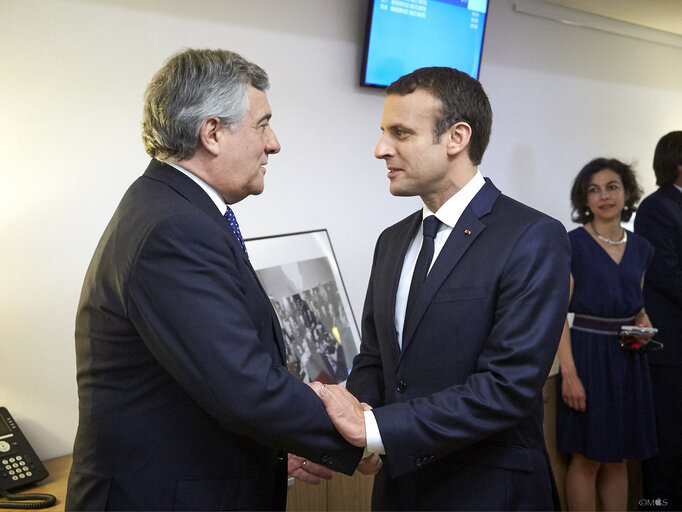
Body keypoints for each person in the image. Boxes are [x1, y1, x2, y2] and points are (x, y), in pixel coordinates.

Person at [64, 48, 367, 512]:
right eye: (263, 124)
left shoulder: (174, 209)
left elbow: (199, 382)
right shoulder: (175, 228)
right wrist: (366, 435)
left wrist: (277, 446)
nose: (274, 143)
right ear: (212, 133)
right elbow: (244, 386)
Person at [309, 67, 571, 511]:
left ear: (456, 138)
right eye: (382, 132)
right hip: (400, 491)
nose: (380, 150)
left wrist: (376, 430)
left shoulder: (532, 237)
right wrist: (359, 436)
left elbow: (507, 388)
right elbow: (376, 360)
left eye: (401, 133)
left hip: (488, 492)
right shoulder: (391, 241)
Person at [556, 158, 657, 511]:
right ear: (584, 199)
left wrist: (643, 322)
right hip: (587, 358)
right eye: (594, 190)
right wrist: (569, 375)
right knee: (587, 459)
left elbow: (636, 304)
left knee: (619, 457)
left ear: (626, 192)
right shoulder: (571, 244)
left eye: (612, 187)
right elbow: (556, 318)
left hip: (629, 358)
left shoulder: (642, 248)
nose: (604, 196)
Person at [635, 131, 682, 511]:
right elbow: (667, 273)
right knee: (666, 442)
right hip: (670, 348)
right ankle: (656, 506)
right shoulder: (657, 207)